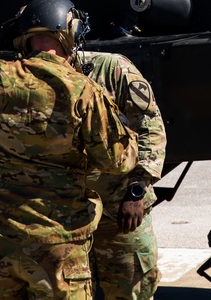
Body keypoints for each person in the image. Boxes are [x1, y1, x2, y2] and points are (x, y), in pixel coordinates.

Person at [0, 0, 138, 300]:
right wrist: (122, 128)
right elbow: (119, 162)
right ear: (68, 33)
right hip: (58, 247)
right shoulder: (84, 92)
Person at [81, 50, 166, 300]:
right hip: (65, 213)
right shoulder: (29, 73)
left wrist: (136, 190)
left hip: (118, 210)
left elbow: (149, 127)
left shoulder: (111, 67)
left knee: (131, 293)